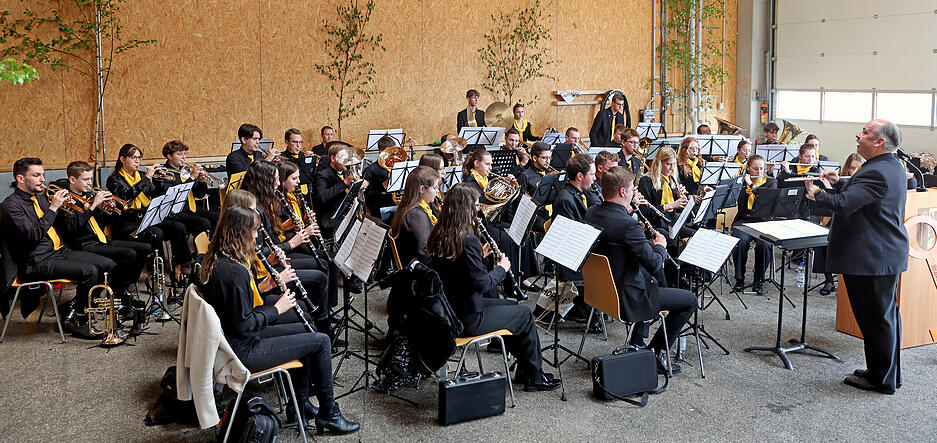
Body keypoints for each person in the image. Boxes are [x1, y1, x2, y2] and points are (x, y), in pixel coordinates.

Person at [198, 204, 359, 434]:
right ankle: (329, 414)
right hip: (242, 349)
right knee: (321, 341)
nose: (256, 237)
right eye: (253, 232)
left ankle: (299, 405)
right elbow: (245, 323)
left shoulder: (218, 258)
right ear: (239, 233)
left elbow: (239, 313)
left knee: (307, 332)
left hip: (233, 340)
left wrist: (266, 292)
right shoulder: (235, 272)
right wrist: (277, 309)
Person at [805, 119, 908, 395]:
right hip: (879, 255)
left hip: (872, 257)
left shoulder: (877, 171)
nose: (858, 135)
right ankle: (884, 372)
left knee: (876, 319)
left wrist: (819, 194)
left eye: (865, 132)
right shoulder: (889, 165)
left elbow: (846, 205)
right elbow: (861, 197)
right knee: (883, 318)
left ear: (879, 142)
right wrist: (839, 184)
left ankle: (881, 379)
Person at [427, 184, 560, 391]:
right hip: (466, 317)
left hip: (449, 308)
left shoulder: (440, 233)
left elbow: (457, 271)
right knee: (524, 313)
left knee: (509, 304)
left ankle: (526, 368)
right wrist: (501, 268)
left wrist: (479, 258)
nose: (479, 210)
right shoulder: (467, 239)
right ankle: (535, 375)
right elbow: (483, 284)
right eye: (476, 206)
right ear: (467, 209)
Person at [584, 166, 697, 373]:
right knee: (689, 300)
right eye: (632, 190)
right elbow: (654, 262)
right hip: (627, 298)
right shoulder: (628, 225)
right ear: (622, 192)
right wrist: (660, 246)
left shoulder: (591, 213)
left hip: (600, 291)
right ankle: (655, 352)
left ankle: (637, 341)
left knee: (653, 280)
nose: (634, 193)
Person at [0, 157, 114, 339]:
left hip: (57, 252)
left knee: (107, 264)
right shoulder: (11, 206)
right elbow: (33, 236)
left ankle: (74, 307)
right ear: (21, 179)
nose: (43, 180)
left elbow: (65, 224)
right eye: (36, 175)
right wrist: (53, 208)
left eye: (43, 175)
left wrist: (75, 205)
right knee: (90, 271)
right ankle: (80, 320)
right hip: (34, 262)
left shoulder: (40, 197)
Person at [54, 161, 152, 314]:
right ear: (72, 180)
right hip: (82, 245)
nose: (90, 183)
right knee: (129, 254)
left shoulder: (89, 195)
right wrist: (93, 207)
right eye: (86, 179)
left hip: (100, 240)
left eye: (91, 178)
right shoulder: (64, 200)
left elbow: (103, 222)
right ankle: (118, 295)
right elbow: (72, 228)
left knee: (145, 248)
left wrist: (109, 210)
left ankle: (120, 291)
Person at [106, 143, 190, 283]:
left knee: (178, 227)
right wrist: (146, 178)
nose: (137, 161)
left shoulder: (139, 175)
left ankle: (177, 270)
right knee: (156, 233)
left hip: (145, 218)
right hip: (126, 224)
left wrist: (159, 181)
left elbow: (154, 194)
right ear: (122, 159)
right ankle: (153, 275)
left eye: (139, 158)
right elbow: (127, 195)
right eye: (134, 158)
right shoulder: (114, 180)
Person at [550, 154, 602, 332]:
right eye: (592, 174)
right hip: (570, 256)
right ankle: (591, 307)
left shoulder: (580, 193)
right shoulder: (566, 199)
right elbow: (572, 236)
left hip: (581, 248)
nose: (595, 179)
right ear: (580, 176)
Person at [730, 155, 776, 294]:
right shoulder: (742, 181)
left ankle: (758, 280)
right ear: (748, 168)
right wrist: (735, 184)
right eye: (755, 169)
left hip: (763, 221)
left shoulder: (771, 182)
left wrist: (752, 185)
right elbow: (732, 200)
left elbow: (765, 197)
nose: (759, 172)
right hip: (744, 220)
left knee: (765, 244)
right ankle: (739, 278)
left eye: (761, 168)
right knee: (740, 241)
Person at [152, 140, 217, 234]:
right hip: (175, 212)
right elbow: (175, 194)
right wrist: (192, 178)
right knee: (203, 223)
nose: (184, 157)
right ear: (169, 156)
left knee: (217, 218)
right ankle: (200, 247)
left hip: (191, 208)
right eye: (179, 154)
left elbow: (200, 195)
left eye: (185, 154)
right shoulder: (163, 173)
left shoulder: (185, 170)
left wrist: (201, 181)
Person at [312, 142, 369, 240]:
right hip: (331, 218)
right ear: (333, 158)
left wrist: (361, 185)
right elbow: (322, 197)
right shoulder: (321, 175)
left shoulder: (346, 172)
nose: (346, 161)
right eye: (343, 158)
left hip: (348, 214)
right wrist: (345, 182)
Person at [389, 166, 440, 265]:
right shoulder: (416, 215)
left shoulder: (415, 206)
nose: (437, 191)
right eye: (435, 188)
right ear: (422, 189)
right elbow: (424, 254)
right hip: (421, 272)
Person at [362, 135, 399, 219]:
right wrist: (383, 186)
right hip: (381, 208)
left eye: (393, 152)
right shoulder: (370, 170)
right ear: (380, 152)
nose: (391, 155)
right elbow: (367, 197)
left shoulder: (396, 166)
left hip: (396, 204)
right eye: (388, 152)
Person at [280, 128, 319, 195]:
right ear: (286, 143)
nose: (298, 145)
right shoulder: (281, 157)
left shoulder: (304, 156)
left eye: (300, 142)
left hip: (307, 194)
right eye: (295, 142)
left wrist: (313, 162)